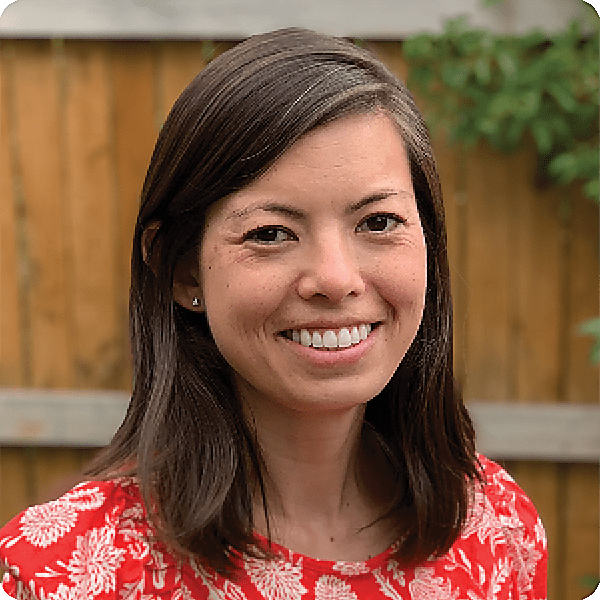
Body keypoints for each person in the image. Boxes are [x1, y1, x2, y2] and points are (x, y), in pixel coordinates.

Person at [0, 28, 546, 599]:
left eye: (378, 222)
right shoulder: (60, 573)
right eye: (271, 233)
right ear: (183, 271)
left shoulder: (497, 529)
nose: (336, 279)